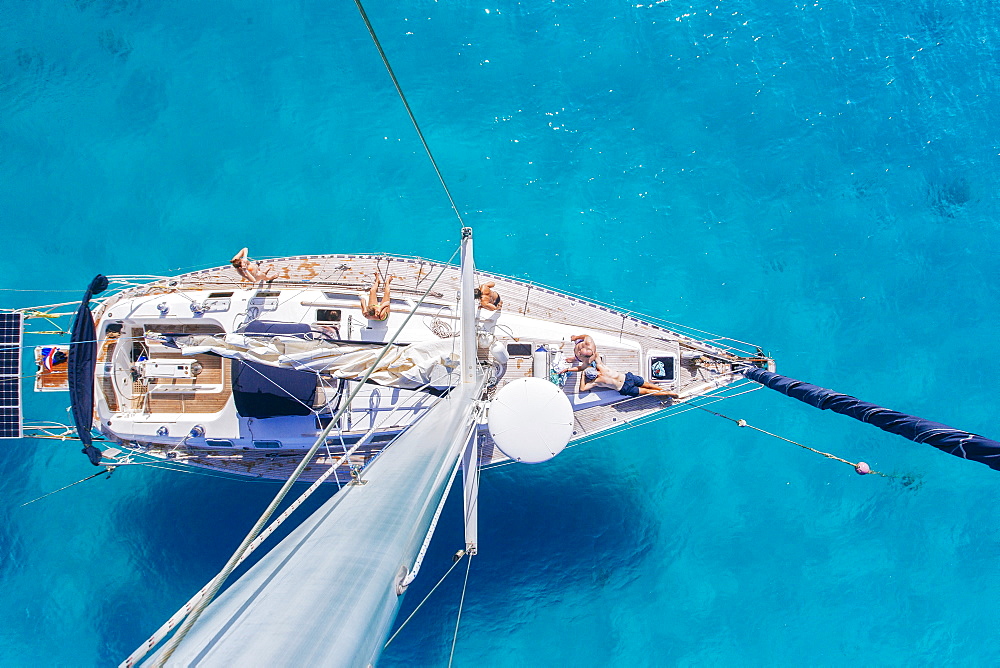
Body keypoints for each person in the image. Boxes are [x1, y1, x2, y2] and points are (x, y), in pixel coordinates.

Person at [578, 359, 680, 398]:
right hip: (627, 378)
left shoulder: (596, 382)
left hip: (624, 387)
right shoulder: (602, 368)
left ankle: (667, 393)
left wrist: (582, 376)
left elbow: (582, 389)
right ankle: (665, 391)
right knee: (648, 385)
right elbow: (596, 356)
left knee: (646, 391)